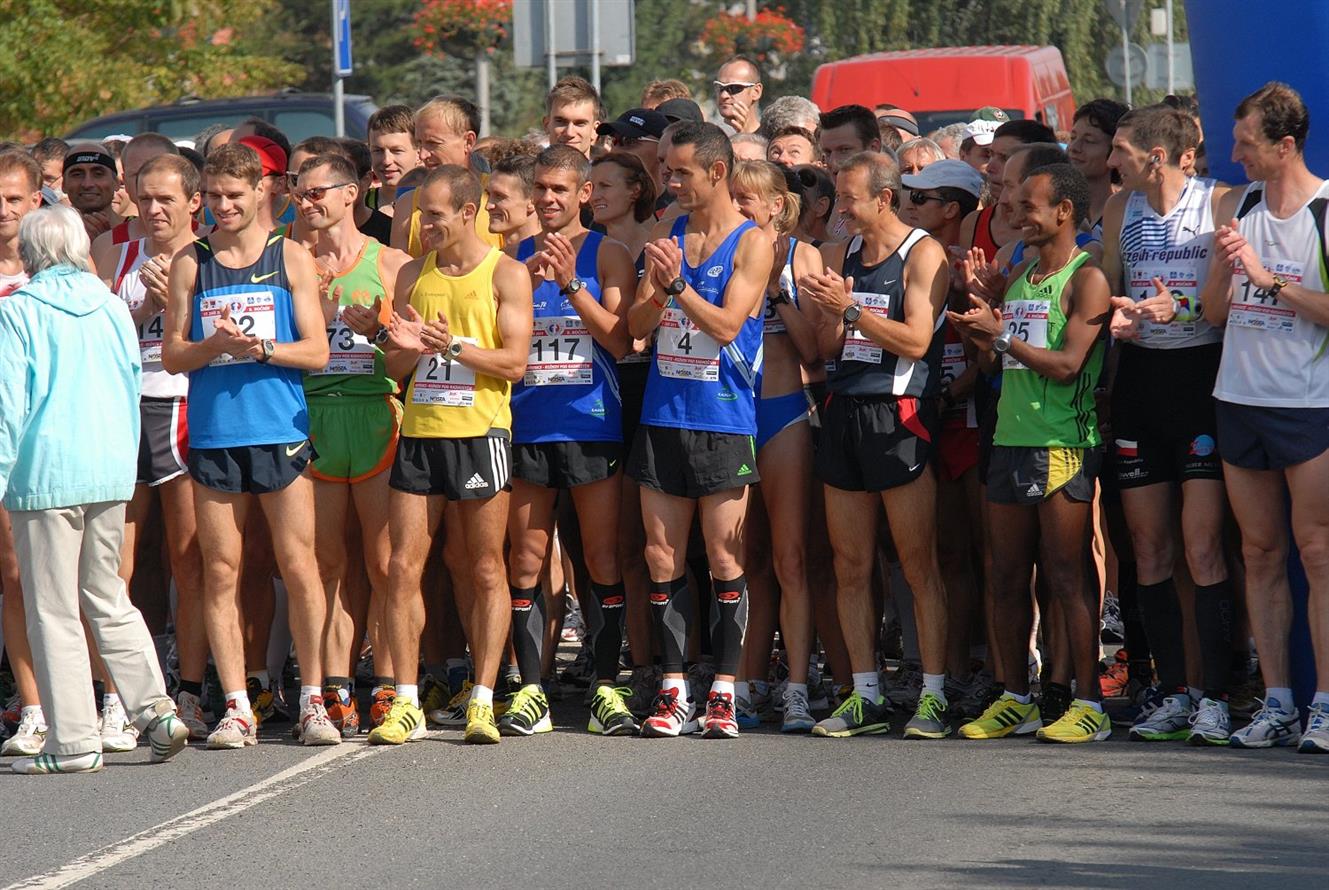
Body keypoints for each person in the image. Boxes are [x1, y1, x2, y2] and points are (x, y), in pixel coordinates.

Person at [161, 142, 339, 750]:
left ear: (261, 190)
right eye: (212, 196)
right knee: (220, 570)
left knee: (298, 564)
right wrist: (213, 346)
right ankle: (237, 704)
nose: (223, 206)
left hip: (281, 431)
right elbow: (173, 355)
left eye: (233, 195)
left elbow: (317, 352)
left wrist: (260, 349)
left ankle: (313, 699)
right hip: (216, 435)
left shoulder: (289, 255)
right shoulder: (191, 261)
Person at [0, 205, 190, 774]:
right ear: (81, 249)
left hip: (46, 474)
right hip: (108, 469)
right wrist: (120, 463)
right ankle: (157, 710)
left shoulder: (18, 311)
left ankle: (74, 741)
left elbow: (8, 406)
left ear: (29, 255)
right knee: (107, 595)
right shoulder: (110, 306)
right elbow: (130, 384)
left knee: (52, 609)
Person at [353, 165, 532, 746]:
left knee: (484, 567)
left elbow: (515, 363)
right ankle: (407, 700)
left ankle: (483, 698)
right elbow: (398, 366)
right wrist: (393, 341)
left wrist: (453, 345)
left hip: (480, 434)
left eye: (433, 214)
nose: (422, 225)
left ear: (467, 211)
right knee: (402, 566)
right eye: (419, 215)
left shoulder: (505, 273)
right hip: (421, 433)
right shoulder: (412, 273)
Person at [949, 163, 1112, 743]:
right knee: (1005, 575)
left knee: (1067, 576)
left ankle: (1089, 703)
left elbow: (1067, 366)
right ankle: (1015, 697)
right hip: (1009, 439)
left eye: (1028, 207)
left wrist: (1001, 336)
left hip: (1062, 443)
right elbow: (997, 360)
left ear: (1064, 211)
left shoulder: (1087, 278)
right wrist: (980, 327)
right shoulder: (1019, 272)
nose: (1016, 216)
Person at [798, 151, 952, 740]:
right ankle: (865, 694)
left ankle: (933, 695)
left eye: (849, 198)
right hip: (845, 409)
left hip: (899, 413)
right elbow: (827, 347)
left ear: (884, 198)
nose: (839, 208)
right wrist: (834, 316)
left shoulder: (923, 252)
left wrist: (852, 310)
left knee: (917, 564)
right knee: (850, 564)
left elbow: (916, 341)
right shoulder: (838, 255)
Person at [627, 121, 772, 738]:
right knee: (660, 555)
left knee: (722, 555)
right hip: (663, 415)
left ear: (717, 172)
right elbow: (636, 327)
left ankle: (724, 692)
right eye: (666, 170)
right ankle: (673, 688)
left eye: (681, 171)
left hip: (722, 418)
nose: (670, 181)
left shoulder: (751, 242)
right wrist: (659, 292)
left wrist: (678, 285)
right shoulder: (666, 236)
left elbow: (728, 325)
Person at [1200, 83, 1329, 753]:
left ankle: (1324, 705)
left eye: (1246, 143)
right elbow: (1213, 313)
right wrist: (1227, 271)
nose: (1235, 154)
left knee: (1317, 552)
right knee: (1258, 553)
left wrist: (1267, 277)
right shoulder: (1239, 204)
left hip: (1307, 405)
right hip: (1239, 397)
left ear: (1285, 145)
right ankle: (1277, 701)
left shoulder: (1324, 209)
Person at [1102, 103, 1233, 745]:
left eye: (1120, 151)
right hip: (1140, 384)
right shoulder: (1117, 208)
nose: (1111, 161)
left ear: (1156, 156)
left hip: (1201, 379)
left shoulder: (1220, 202)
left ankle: (1218, 696)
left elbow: (1223, 305)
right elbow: (1108, 288)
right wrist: (1116, 318)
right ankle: (1175, 691)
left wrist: (1172, 307)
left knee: (1202, 547)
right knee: (1150, 547)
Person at [504, 146, 636, 735]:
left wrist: (570, 283)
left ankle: (607, 686)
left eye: (560, 188)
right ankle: (532, 688)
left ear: (584, 193)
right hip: (528, 424)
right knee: (526, 559)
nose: (548, 199)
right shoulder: (511, 258)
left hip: (590, 424)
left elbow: (620, 340)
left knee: (601, 558)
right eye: (540, 188)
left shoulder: (608, 253)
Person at [89, 153, 210, 741]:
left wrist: (178, 307)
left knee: (189, 560)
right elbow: (96, 336)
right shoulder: (114, 254)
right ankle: (118, 697)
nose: (154, 209)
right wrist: (144, 308)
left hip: (185, 407)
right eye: (145, 198)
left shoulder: (210, 254)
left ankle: (189, 691)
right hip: (125, 407)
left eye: (167, 199)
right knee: (119, 563)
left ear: (194, 201)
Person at [292, 151, 411, 737]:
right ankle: (335, 686)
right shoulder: (289, 261)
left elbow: (413, 358)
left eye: (317, 192)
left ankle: (388, 684)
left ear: (351, 193)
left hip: (373, 417)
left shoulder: (390, 262)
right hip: (313, 418)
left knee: (386, 563)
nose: (307, 202)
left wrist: (380, 331)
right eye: (299, 192)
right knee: (326, 563)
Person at [729, 159, 822, 732]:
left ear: (774, 205)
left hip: (784, 412)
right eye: (732, 196)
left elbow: (817, 349)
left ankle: (797, 688)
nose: (738, 206)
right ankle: (744, 681)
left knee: (790, 558)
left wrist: (777, 292)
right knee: (745, 560)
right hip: (731, 413)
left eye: (747, 198)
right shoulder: (722, 250)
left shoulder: (801, 255)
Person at [897, 158, 989, 715]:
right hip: (928, 417)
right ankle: (952, 671)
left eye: (920, 200)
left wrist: (953, 392)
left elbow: (989, 351)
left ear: (951, 209)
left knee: (990, 553)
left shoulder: (974, 267)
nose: (907, 208)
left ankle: (1000, 669)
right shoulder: (907, 258)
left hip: (971, 418)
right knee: (948, 552)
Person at [0, 150, 48, 758]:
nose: (3, 209)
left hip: (55, 435)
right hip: (3, 437)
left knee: (71, 578)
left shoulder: (58, 266)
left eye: (13, 198)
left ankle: (98, 698)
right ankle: (33, 708)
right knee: (14, 575)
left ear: (36, 200)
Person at [390, 96, 503, 257]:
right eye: (419, 143)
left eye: (433, 143)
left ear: (468, 141)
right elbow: (396, 271)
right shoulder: (407, 206)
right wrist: (428, 260)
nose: (422, 155)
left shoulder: (499, 197)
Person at [106, 133, 181, 244]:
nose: (147, 181)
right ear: (125, 181)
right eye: (137, 174)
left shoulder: (204, 238)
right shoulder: (107, 245)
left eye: (158, 172)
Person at [1068, 99, 1130, 232]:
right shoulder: (1055, 212)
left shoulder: (1127, 217)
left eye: (1089, 141)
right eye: (1072, 137)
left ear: (1115, 150)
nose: (1074, 147)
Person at [367, 104, 420, 215]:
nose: (386, 161)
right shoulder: (359, 205)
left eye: (396, 151)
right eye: (377, 150)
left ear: (418, 153)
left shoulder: (431, 205)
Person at [61, 143, 120, 241]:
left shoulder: (140, 230)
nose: (87, 184)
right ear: (63, 184)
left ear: (116, 182)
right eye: (77, 174)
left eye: (98, 174)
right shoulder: (48, 232)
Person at [597, 108, 668, 188]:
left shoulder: (678, 194)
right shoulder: (598, 194)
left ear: (662, 147)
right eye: (614, 141)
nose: (614, 151)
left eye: (628, 141)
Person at [486, 150, 541, 251]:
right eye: (488, 194)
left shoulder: (552, 257)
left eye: (499, 196)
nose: (488, 206)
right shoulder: (493, 258)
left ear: (532, 200)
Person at [544, 76, 603, 160]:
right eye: (560, 121)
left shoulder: (609, 169)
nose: (569, 133)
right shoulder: (530, 168)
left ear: (595, 130)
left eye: (580, 124)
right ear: (547, 124)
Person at [714, 55, 764, 135]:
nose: (723, 95)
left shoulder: (773, 140)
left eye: (734, 88)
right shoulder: (711, 139)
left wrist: (746, 137)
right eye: (720, 87)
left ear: (756, 92)